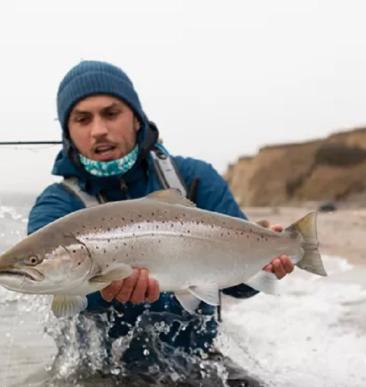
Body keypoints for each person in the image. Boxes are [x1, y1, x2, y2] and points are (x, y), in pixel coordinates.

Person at [27, 60, 294, 386]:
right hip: (100, 373)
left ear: (137, 120)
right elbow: (59, 290)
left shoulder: (195, 179)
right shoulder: (56, 206)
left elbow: (237, 285)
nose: (98, 130)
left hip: (199, 363)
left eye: (111, 114)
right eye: (82, 119)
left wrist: (263, 266)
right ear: (67, 132)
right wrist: (109, 290)